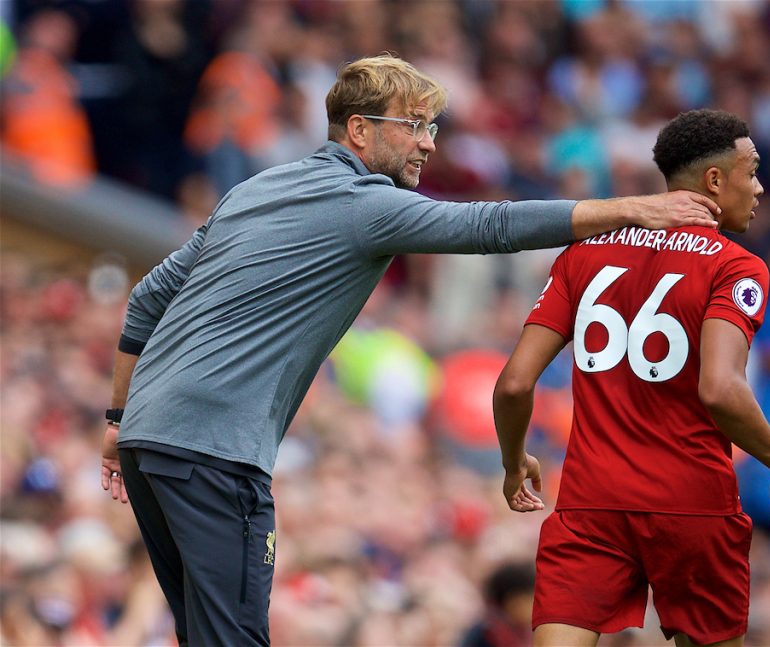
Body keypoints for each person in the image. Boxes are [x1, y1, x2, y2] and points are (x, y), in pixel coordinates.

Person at [98, 54, 719, 646]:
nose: (429, 142)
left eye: (433, 127)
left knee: (204, 635)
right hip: (214, 450)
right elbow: (490, 228)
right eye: (415, 126)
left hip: (149, 439)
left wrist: (119, 418)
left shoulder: (255, 190)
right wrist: (634, 208)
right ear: (360, 131)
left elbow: (148, 298)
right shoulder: (363, 204)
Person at [493, 109, 770, 647]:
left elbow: (513, 384)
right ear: (715, 180)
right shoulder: (736, 267)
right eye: (753, 171)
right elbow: (720, 390)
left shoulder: (582, 255)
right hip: (692, 504)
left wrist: (512, 461)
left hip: (591, 503)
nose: (759, 188)